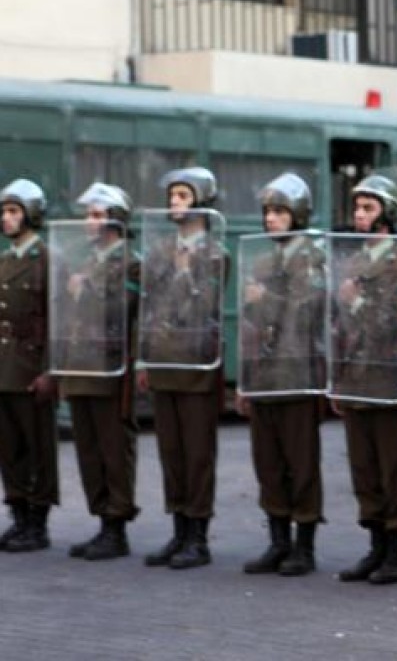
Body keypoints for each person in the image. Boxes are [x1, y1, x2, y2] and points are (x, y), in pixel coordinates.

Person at [137, 167, 228, 570]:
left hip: (195, 365)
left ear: (201, 202)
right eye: (172, 195)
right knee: (170, 451)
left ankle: (198, 536)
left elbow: (202, 308)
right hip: (163, 360)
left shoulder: (214, 254)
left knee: (196, 454)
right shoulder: (158, 252)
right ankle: (178, 529)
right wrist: (144, 357)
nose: (174, 202)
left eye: (183, 196)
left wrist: (187, 270)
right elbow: (149, 307)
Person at [237, 172, 327, 577]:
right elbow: (250, 323)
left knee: (300, 463)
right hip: (265, 375)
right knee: (268, 463)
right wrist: (244, 380)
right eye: (268, 212)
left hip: (298, 373)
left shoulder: (311, 256)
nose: (271, 219)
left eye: (279, 211)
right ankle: (278, 540)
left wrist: (266, 299)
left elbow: (305, 313)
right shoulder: (261, 259)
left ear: (298, 214)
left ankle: (304, 547)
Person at [332, 174, 397, 585]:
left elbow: (392, 320)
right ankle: (376, 545)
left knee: (390, 466)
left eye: (368, 208)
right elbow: (340, 325)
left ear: (387, 213)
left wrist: (359, 299)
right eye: (358, 208)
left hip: (386, 378)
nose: (360, 216)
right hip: (356, 377)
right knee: (364, 468)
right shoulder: (353, 260)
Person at [58, 182, 140, 561]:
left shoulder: (129, 261)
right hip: (81, 366)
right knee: (89, 449)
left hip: (109, 368)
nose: (88, 222)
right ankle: (101, 519)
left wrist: (85, 288)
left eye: (95, 214)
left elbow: (120, 310)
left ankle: (116, 525)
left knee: (112, 448)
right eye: (88, 214)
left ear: (114, 218)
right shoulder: (90, 260)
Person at [0, 179, 57, 552]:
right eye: (3, 212)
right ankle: (18, 515)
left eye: (14, 211)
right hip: (5, 365)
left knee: (38, 446)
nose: (6, 219)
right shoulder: (5, 260)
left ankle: (38, 523)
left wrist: (50, 369)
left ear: (32, 214)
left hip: (32, 366)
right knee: (9, 447)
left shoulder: (49, 260)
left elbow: (57, 318)